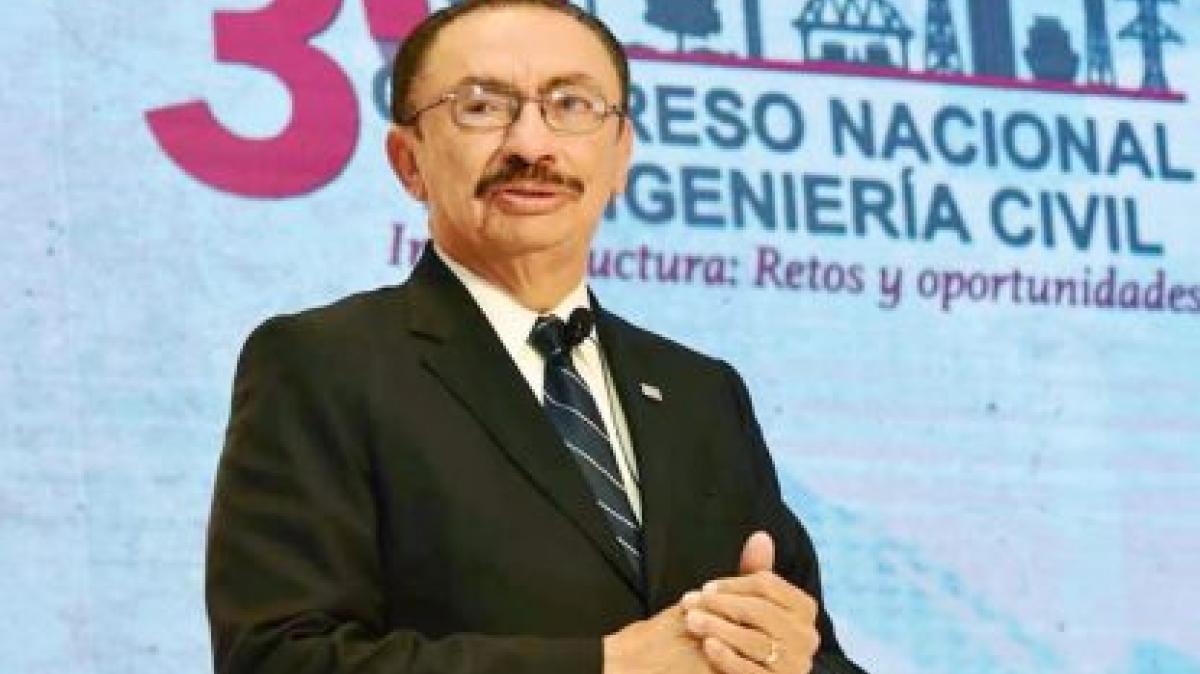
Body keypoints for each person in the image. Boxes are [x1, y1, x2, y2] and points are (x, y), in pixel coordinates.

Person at [206, 2, 869, 673]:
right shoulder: (323, 364)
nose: (531, 145)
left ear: (621, 155)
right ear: (408, 161)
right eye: (481, 107)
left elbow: (819, 654)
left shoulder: (702, 393)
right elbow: (277, 659)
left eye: (572, 105)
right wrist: (606, 665)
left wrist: (787, 661)